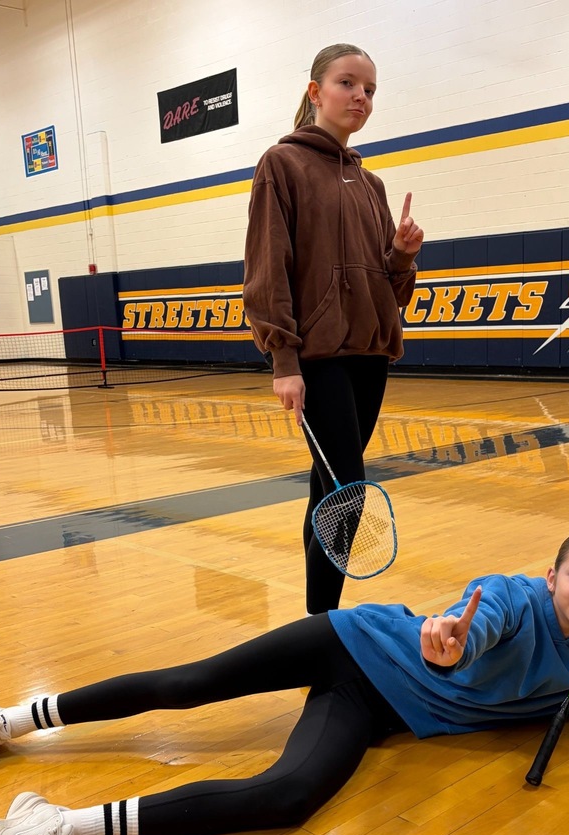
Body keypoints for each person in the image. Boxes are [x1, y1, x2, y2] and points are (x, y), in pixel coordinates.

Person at [0, 529, 569, 835]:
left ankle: (56, 826)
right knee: (188, 684)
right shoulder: (511, 595)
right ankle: (12, 719)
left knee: (290, 796)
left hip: (374, 705)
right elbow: (476, 626)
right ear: (552, 575)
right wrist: (451, 643)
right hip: (352, 640)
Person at [242, 43, 424, 613]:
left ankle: (319, 625)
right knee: (348, 489)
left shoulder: (372, 186)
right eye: (348, 84)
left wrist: (400, 255)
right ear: (315, 92)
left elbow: (391, 295)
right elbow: (269, 267)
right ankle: (325, 627)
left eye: (370, 89)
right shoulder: (282, 164)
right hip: (318, 359)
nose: (361, 98)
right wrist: (284, 364)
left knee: (331, 491)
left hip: (369, 357)